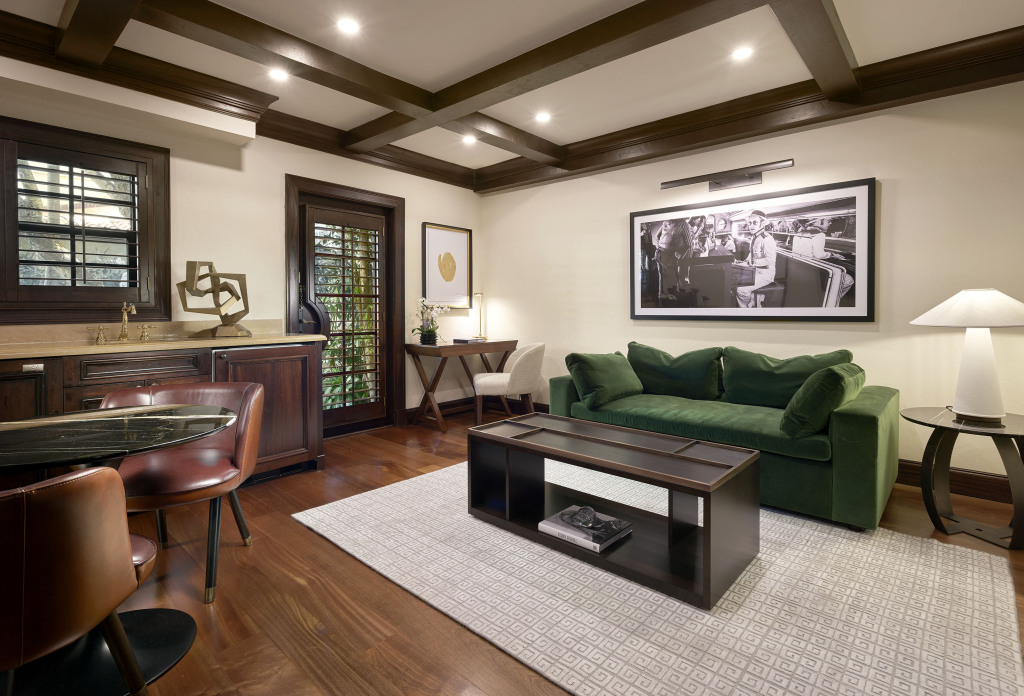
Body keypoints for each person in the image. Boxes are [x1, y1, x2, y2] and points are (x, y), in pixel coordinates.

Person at [735, 210, 777, 308]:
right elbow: (752, 254)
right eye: (750, 223)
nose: (751, 226)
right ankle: (752, 303)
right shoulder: (755, 237)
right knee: (735, 279)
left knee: (741, 290)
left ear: (762, 223)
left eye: (755, 223)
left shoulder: (767, 239)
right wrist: (743, 262)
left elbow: (771, 259)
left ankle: (746, 311)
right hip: (755, 270)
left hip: (765, 274)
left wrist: (753, 262)